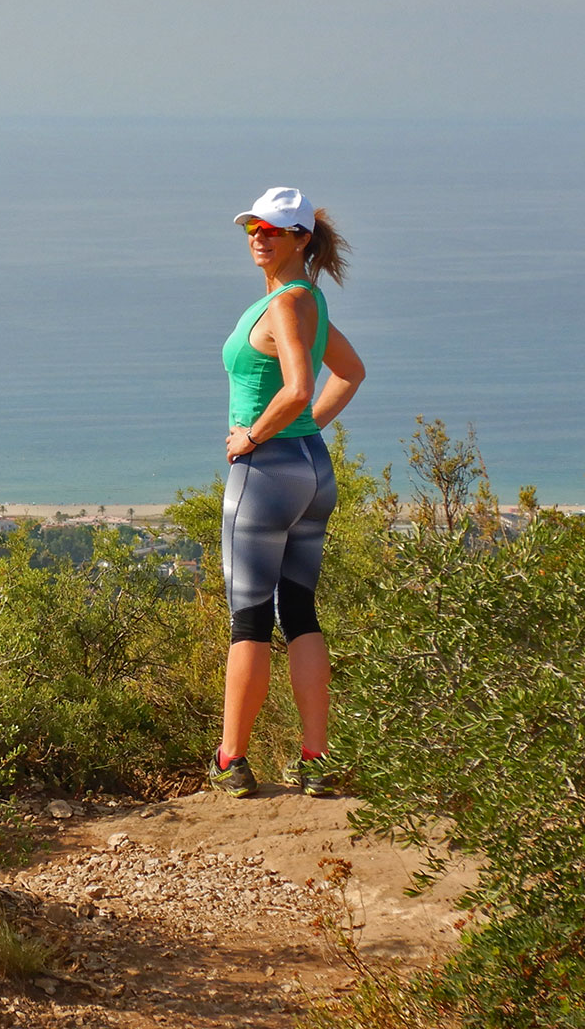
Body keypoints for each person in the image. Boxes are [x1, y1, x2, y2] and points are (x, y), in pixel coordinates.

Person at [206, 187, 366, 798]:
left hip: (267, 475)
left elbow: (299, 388)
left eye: (272, 230)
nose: (258, 236)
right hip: (313, 472)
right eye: (252, 226)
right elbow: (349, 372)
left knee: (248, 621)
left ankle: (231, 763)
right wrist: (303, 432)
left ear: (300, 238)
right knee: (299, 613)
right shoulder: (308, 301)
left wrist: (252, 436)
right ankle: (316, 762)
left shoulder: (281, 305)